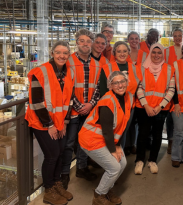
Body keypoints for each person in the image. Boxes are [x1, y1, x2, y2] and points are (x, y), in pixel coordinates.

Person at [25, 41, 74, 205]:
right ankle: (48, 190)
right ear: (52, 53)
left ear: (68, 55)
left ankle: (56, 184)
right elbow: (36, 103)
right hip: (42, 122)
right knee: (52, 155)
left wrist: (65, 122)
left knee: (59, 153)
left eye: (65, 53)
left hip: (59, 122)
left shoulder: (68, 73)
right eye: (58, 52)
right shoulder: (41, 72)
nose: (62, 56)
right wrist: (50, 125)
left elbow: (69, 101)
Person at [79, 71, 134, 205]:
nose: (120, 85)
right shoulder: (107, 101)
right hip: (91, 139)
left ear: (127, 83)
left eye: (122, 81)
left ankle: (107, 188)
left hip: (107, 139)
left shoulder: (128, 97)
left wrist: (117, 145)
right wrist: (114, 150)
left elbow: (122, 126)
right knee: (114, 167)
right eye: (116, 83)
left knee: (123, 163)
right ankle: (99, 195)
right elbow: (107, 131)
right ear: (110, 85)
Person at [61, 29, 100, 189]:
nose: (85, 44)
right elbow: (65, 87)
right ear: (76, 42)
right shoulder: (68, 62)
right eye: (82, 41)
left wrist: (90, 104)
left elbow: (98, 87)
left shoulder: (96, 64)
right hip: (72, 111)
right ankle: (64, 173)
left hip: (89, 110)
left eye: (88, 41)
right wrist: (78, 106)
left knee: (85, 143)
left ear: (92, 44)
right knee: (69, 143)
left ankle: (81, 168)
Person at [134, 43, 175, 174]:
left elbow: (171, 90)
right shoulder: (141, 68)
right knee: (143, 133)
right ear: (150, 53)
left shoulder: (169, 69)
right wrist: (146, 105)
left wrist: (160, 106)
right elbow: (138, 88)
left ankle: (152, 161)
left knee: (158, 135)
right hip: (143, 107)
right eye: (154, 52)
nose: (156, 55)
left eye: (159, 53)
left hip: (160, 108)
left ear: (163, 54)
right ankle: (139, 161)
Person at [102, 41, 142, 155]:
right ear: (114, 53)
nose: (122, 54)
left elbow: (138, 86)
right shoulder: (106, 68)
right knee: (113, 134)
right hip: (112, 107)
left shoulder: (134, 68)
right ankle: (111, 159)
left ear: (129, 52)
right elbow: (103, 90)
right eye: (119, 51)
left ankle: (120, 157)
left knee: (122, 133)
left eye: (125, 51)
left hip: (129, 107)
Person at [164, 28, 183, 154]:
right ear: (172, 37)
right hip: (171, 87)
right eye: (175, 36)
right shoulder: (166, 51)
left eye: (180, 35)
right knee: (170, 116)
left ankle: (182, 141)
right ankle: (171, 141)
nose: (178, 38)